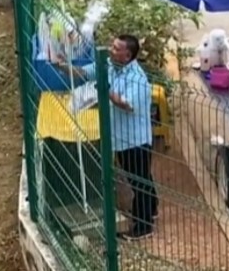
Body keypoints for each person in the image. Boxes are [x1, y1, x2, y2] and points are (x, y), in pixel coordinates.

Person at [54, 34, 157, 241]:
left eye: (116, 48)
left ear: (127, 55)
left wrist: (104, 89)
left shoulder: (137, 79)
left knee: (138, 180)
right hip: (119, 136)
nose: (111, 49)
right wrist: (62, 65)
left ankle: (144, 225)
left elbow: (126, 104)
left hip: (134, 140)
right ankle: (152, 207)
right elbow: (84, 72)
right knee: (141, 176)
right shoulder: (109, 64)